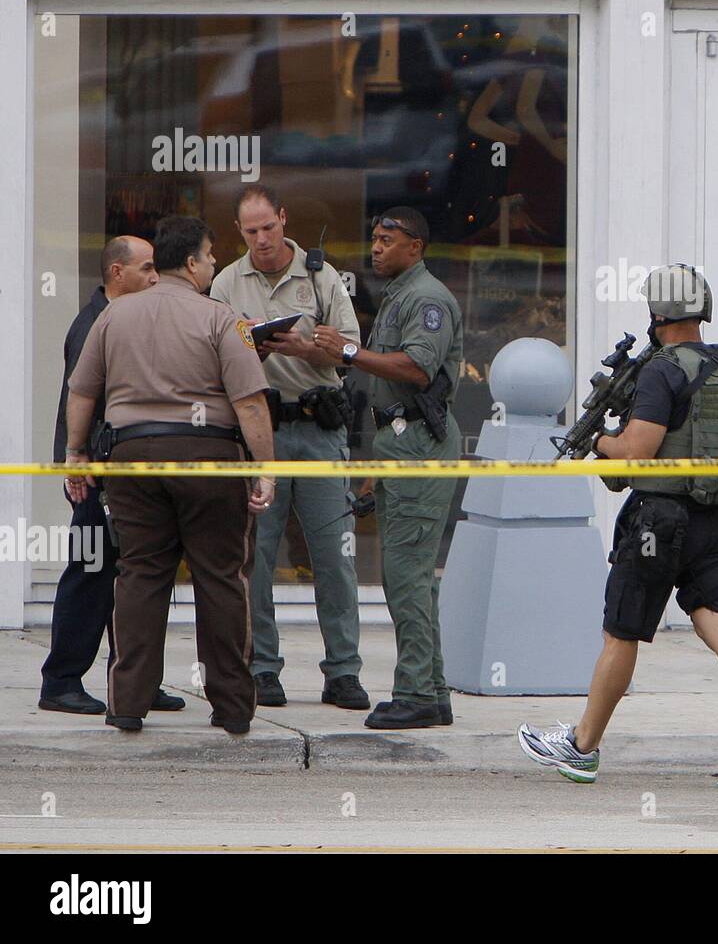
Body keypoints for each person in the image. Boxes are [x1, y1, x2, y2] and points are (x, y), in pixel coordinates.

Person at [518, 265, 718, 790]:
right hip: (715, 519)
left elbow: (639, 450)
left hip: (659, 521)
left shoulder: (662, 371)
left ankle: (581, 748)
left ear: (657, 313)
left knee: (622, 632)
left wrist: (600, 443)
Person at [63, 216, 276, 733]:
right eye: (209, 255)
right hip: (210, 460)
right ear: (191, 262)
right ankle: (231, 707)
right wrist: (264, 468)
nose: (213, 263)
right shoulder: (222, 319)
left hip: (132, 460)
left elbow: (82, 391)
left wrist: (75, 453)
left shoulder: (113, 318)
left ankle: (128, 703)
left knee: (139, 575)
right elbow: (249, 403)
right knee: (221, 579)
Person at [210, 184, 368, 711]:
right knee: (257, 557)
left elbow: (352, 351)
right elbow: (210, 356)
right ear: (240, 231)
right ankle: (262, 669)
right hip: (261, 429)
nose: (261, 238)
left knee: (334, 557)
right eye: (250, 231)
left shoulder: (321, 275)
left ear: (283, 218)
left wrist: (307, 348)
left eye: (268, 228)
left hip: (319, 424)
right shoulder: (227, 282)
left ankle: (343, 671)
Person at [312, 207, 462, 729]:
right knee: (411, 577)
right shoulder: (402, 292)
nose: (376, 248)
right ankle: (432, 690)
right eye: (373, 238)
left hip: (418, 443)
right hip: (400, 442)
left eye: (387, 239)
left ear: (415, 246)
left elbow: (417, 368)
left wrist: (349, 350)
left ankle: (417, 691)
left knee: (406, 576)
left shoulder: (426, 298)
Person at [39, 237, 186, 715]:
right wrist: (77, 463)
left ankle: (134, 678)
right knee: (91, 574)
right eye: (145, 269)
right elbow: (78, 400)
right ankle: (61, 680)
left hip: (119, 473)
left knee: (131, 575)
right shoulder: (96, 324)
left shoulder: (120, 318)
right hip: (98, 474)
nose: (154, 276)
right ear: (117, 273)